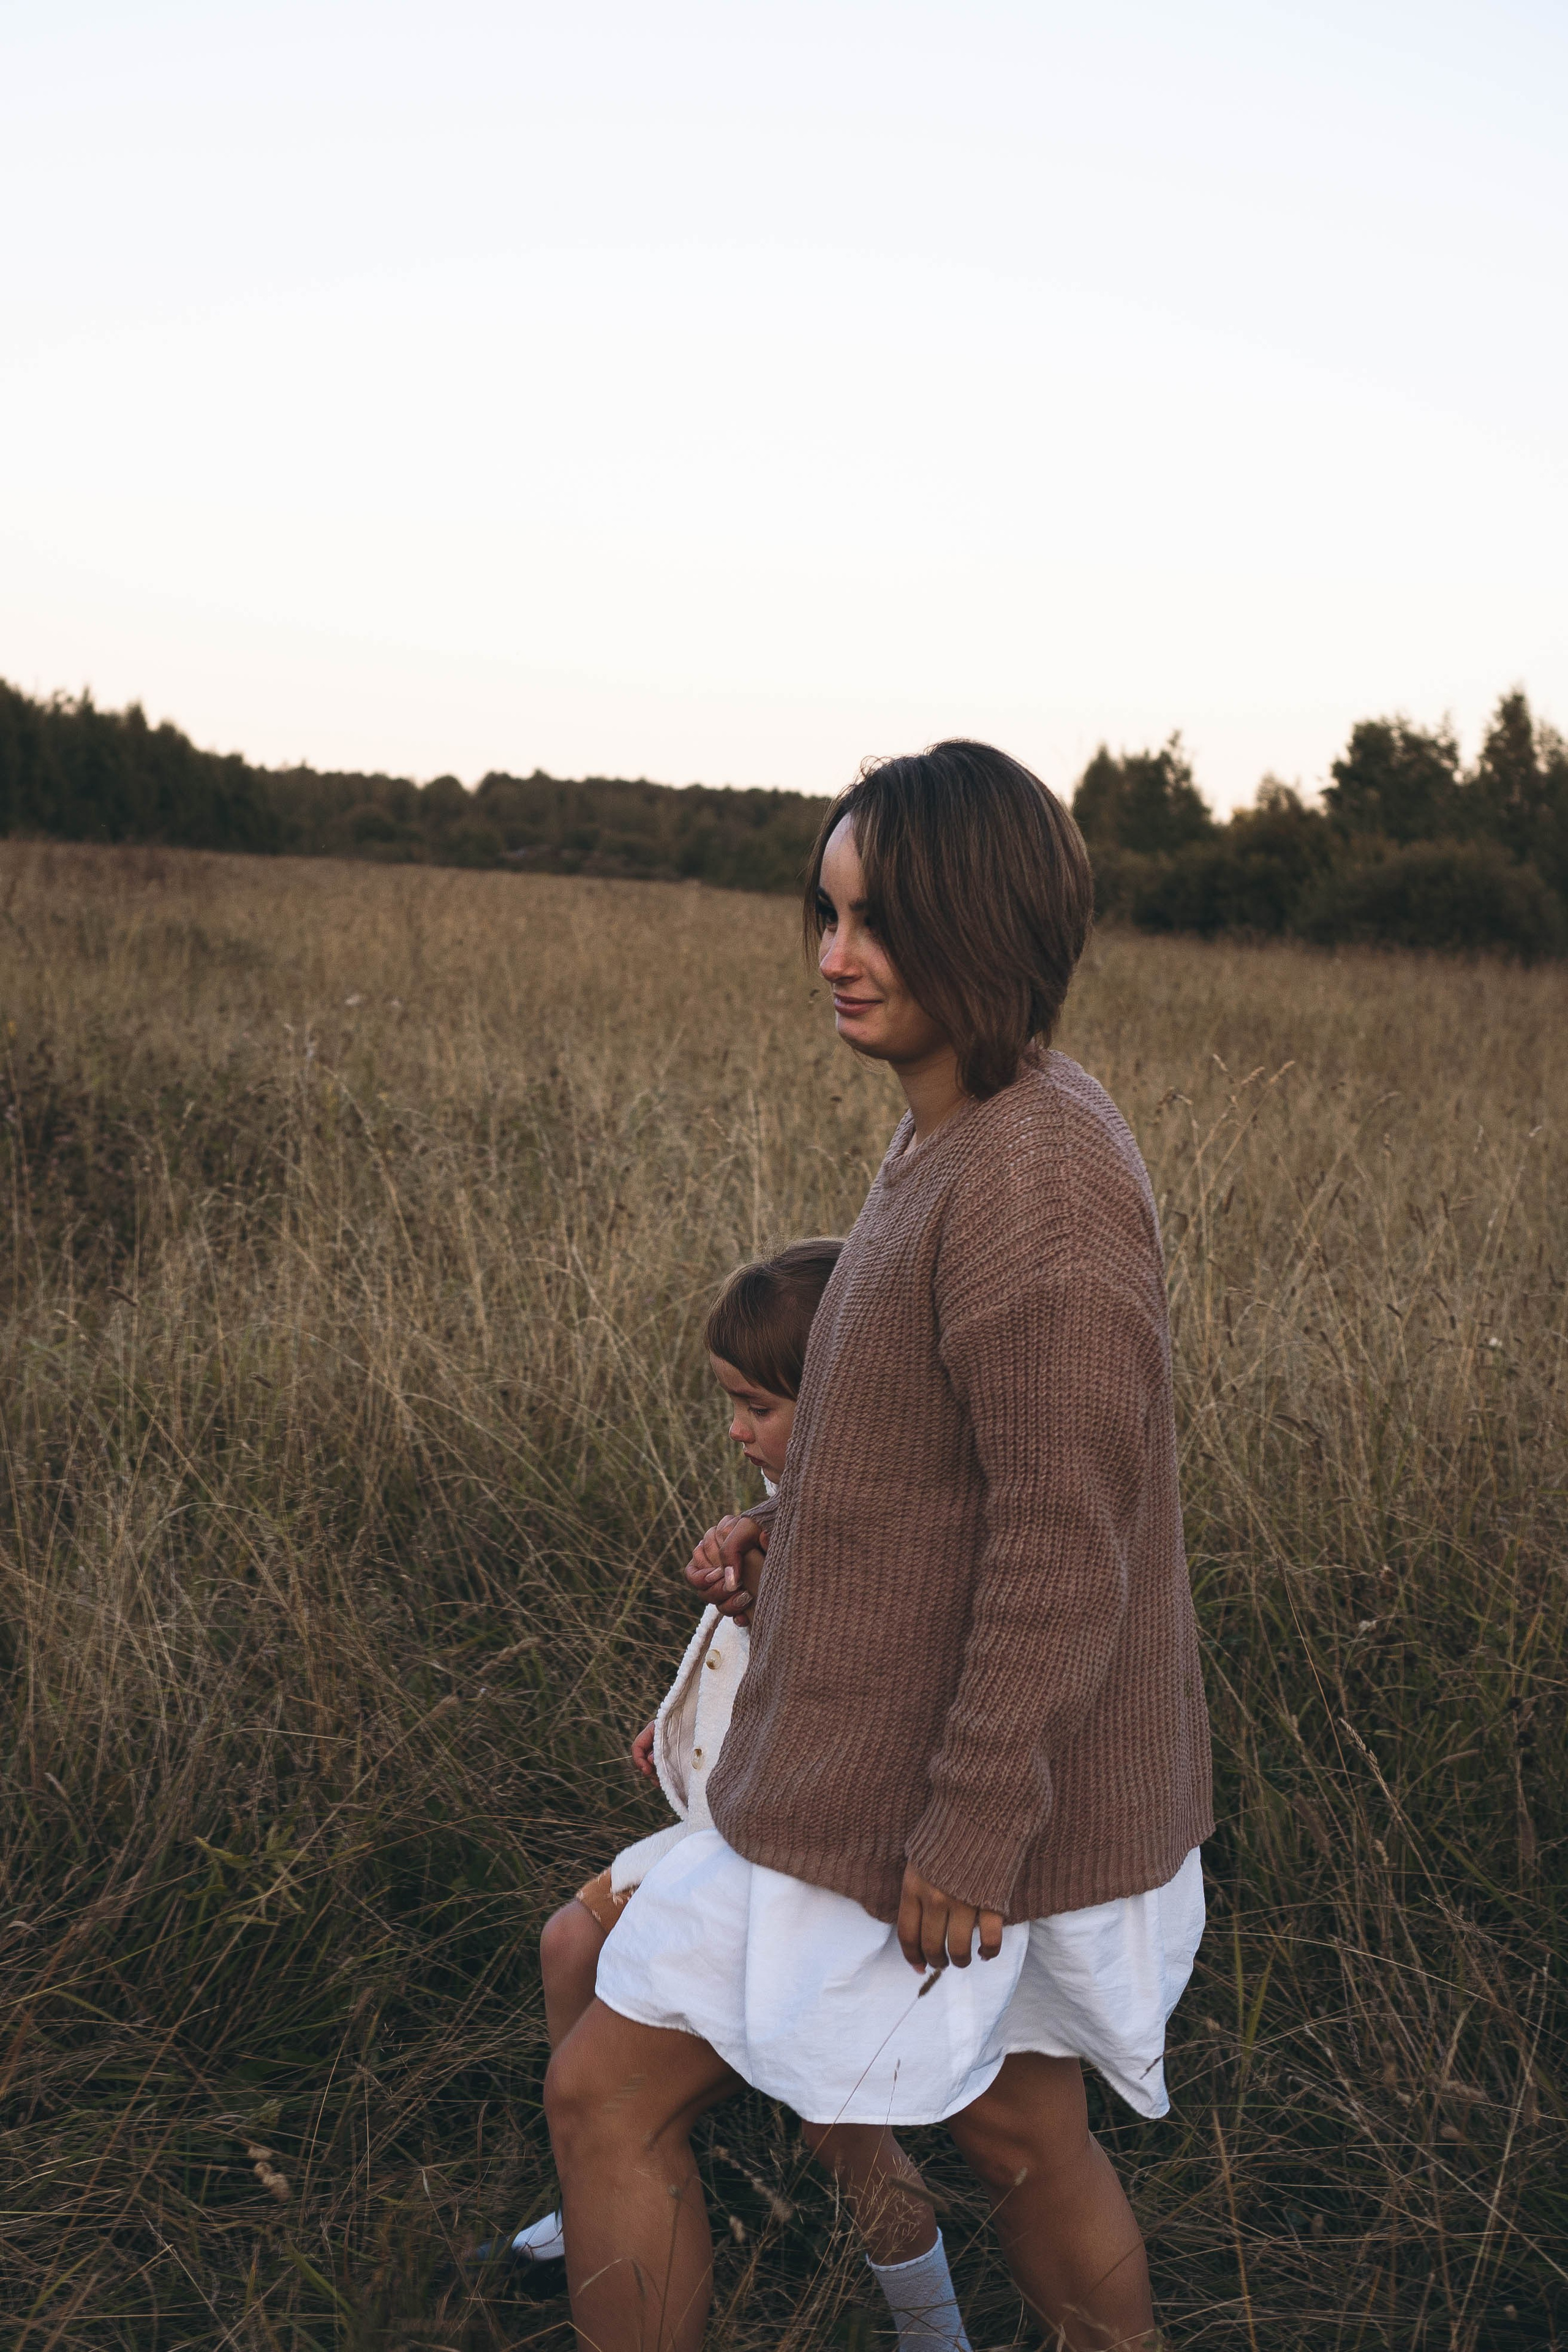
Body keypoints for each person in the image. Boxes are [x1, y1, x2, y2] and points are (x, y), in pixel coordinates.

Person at [545, 742, 1215, 2352]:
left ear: (979, 928)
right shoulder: (956, 1128)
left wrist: (973, 1828)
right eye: (827, 915)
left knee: (607, 2095)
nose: (836, 957)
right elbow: (940, 1478)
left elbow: (1067, 1543)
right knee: (1018, 2132)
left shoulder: (1033, 1176)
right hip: (909, 1773)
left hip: (944, 1806)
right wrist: (795, 1547)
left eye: (880, 922)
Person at [492, 1240, 975, 2352]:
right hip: (739, 1825)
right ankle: (591, 2194)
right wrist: (679, 1726)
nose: (736, 1428)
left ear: (848, 1400)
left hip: (829, 1860)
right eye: (732, 1403)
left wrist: (766, 1595)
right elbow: (758, 1665)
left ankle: (933, 2326)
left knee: (836, 2123)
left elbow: (857, 1697)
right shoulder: (788, 1505)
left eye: (757, 1405)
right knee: (572, 1945)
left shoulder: (886, 1529)